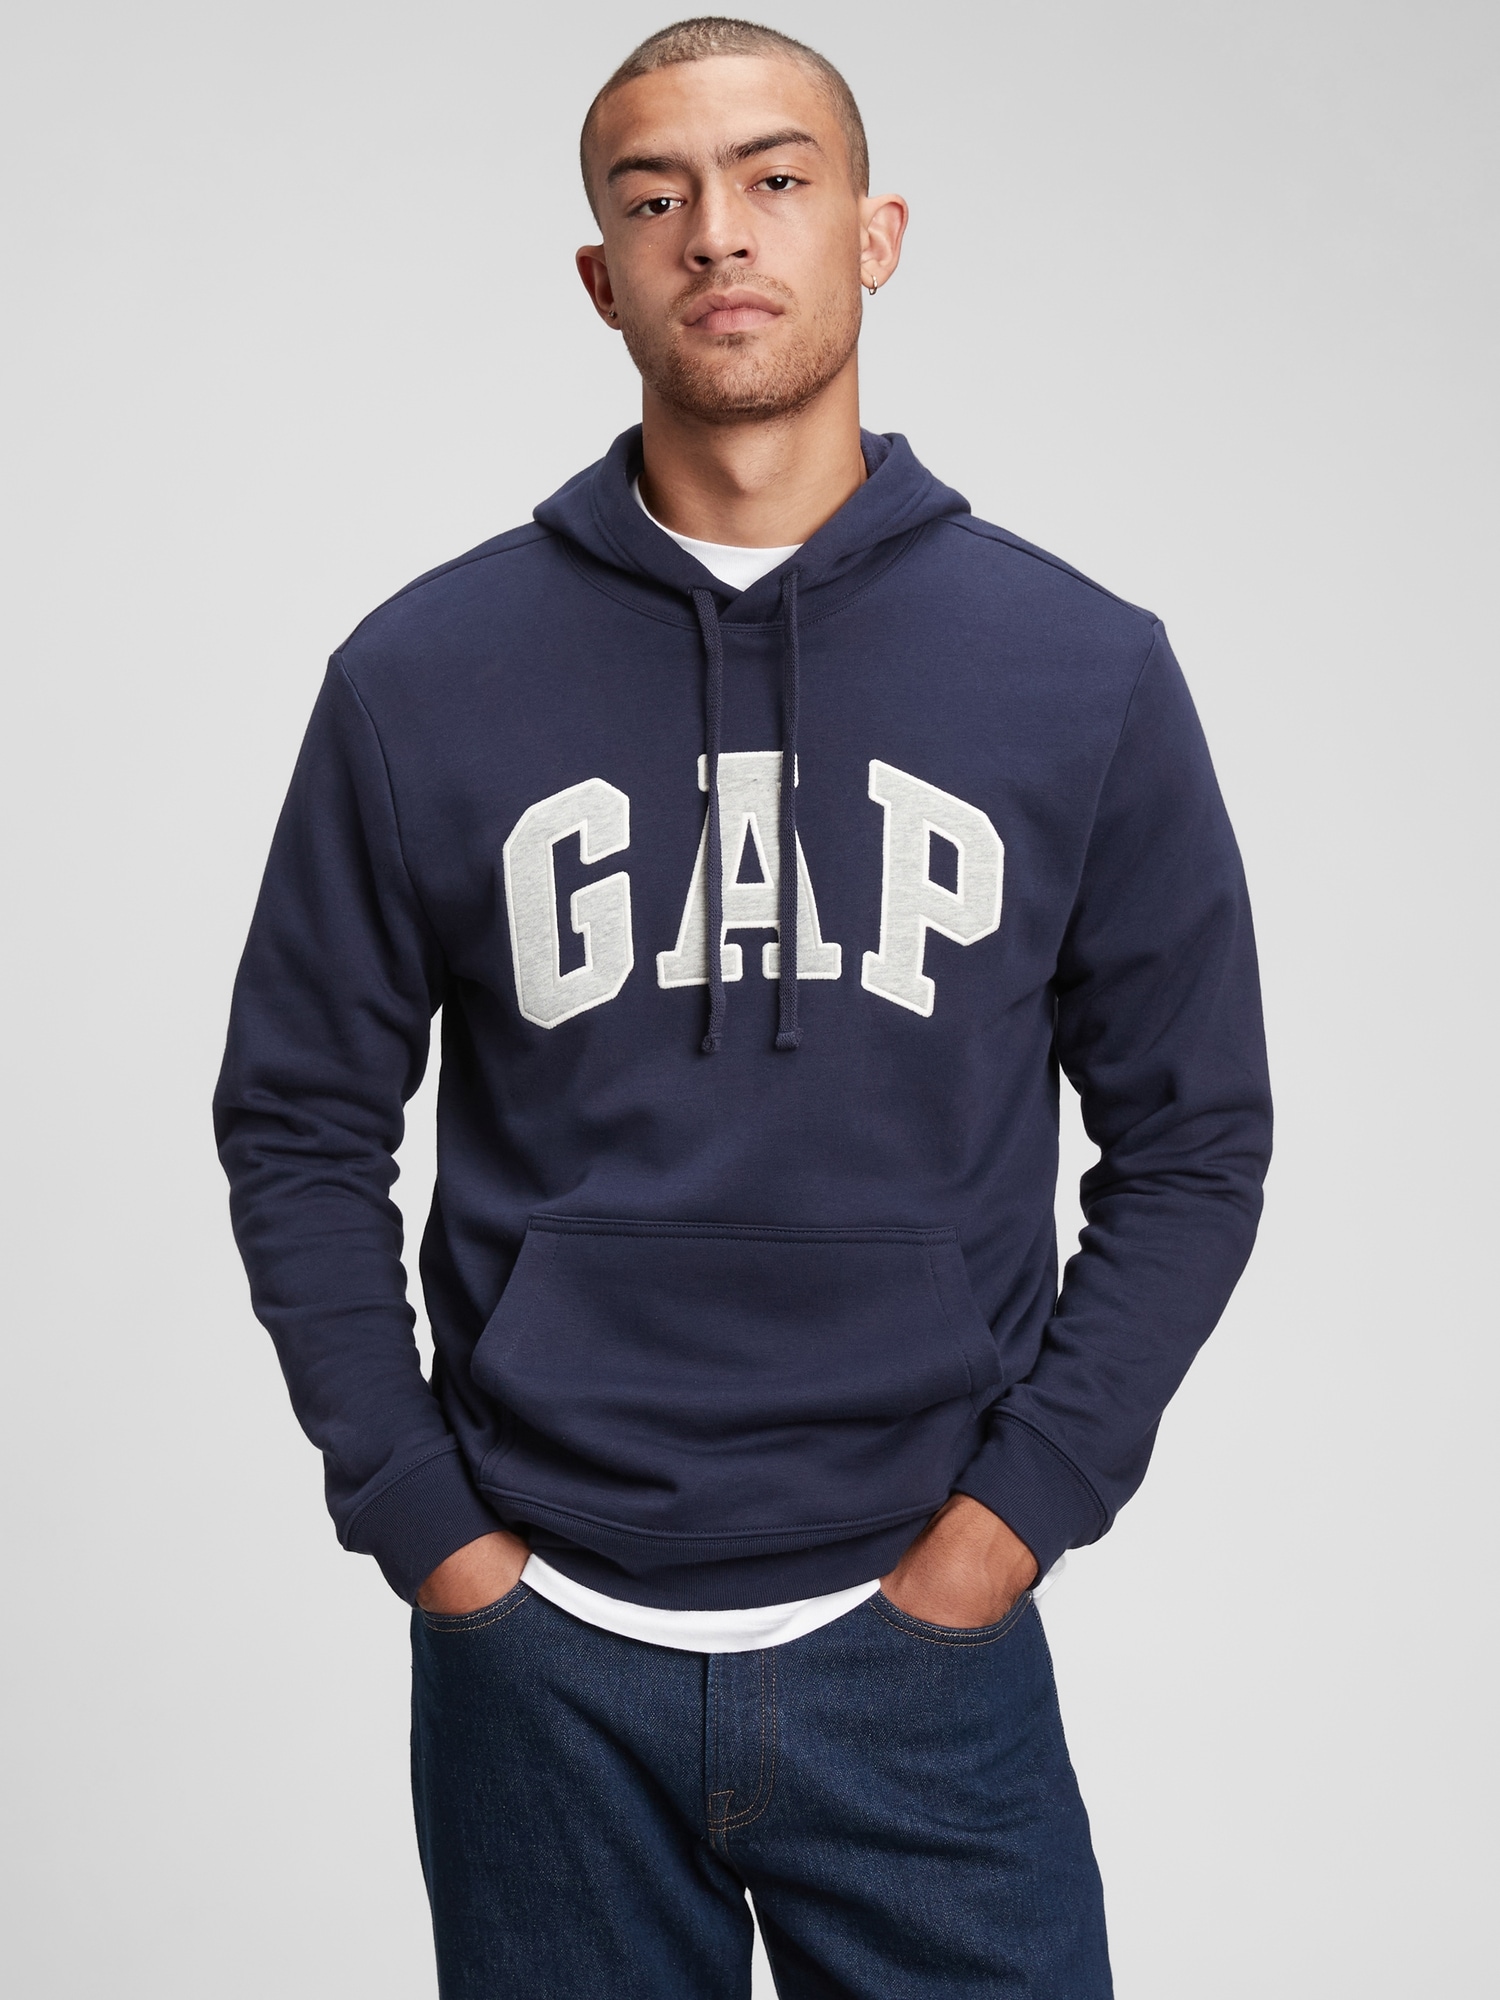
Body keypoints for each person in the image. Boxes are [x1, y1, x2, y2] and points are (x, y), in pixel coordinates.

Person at [215, 17, 1272, 1997]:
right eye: (656, 196)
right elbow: (294, 1120)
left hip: (924, 1641)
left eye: (776, 178)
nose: (718, 230)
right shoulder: (422, 678)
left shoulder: (1079, 670)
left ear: (875, 233)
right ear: (601, 273)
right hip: (543, 1653)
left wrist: (1016, 1519)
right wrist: (426, 1524)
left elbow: (1197, 1136)